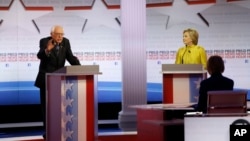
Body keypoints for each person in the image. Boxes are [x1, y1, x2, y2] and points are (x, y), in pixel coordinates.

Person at [34, 25, 81, 138]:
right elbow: (39, 55)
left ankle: (59, 130)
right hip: (46, 80)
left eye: (62, 34)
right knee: (47, 108)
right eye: (58, 34)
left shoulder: (66, 42)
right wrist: (47, 50)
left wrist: (79, 66)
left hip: (60, 81)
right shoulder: (45, 41)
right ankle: (48, 132)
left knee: (59, 107)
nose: (60, 36)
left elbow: (70, 57)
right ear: (52, 34)